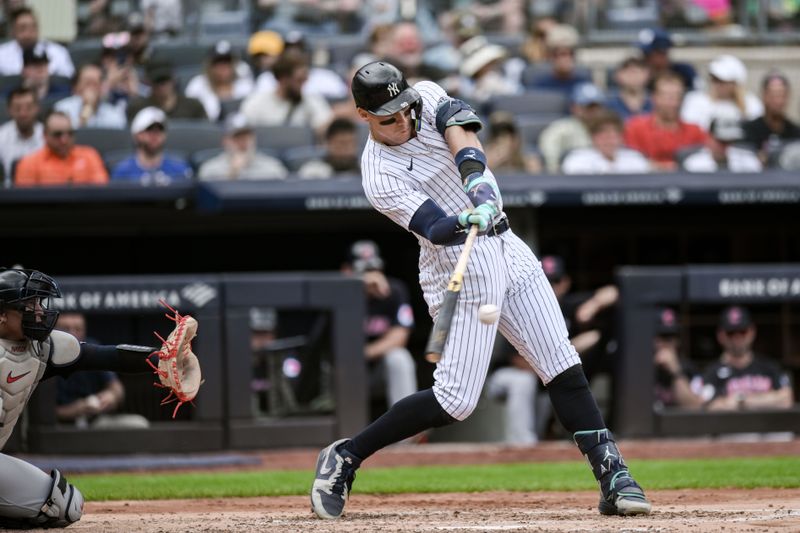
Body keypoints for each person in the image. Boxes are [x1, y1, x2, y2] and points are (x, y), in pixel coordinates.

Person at [310, 60, 650, 520]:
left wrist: (476, 183)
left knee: (561, 362)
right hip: (457, 262)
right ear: (364, 117)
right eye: (389, 116)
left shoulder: (424, 97)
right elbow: (431, 224)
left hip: (505, 244)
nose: (403, 119)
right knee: (456, 400)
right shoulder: (378, 174)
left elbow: (461, 133)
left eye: (404, 108)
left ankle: (614, 475)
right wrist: (460, 220)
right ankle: (347, 455)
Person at [0, 267, 187, 528]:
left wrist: (160, 360)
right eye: (28, 305)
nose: (39, 311)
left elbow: (102, 355)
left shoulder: (40, 349)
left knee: (65, 506)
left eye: (37, 303)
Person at [341, 240, 417, 416]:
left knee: (399, 358)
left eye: (374, 269)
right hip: (342, 372)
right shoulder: (336, 294)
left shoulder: (394, 291)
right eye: (363, 271)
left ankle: (406, 430)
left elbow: (399, 338)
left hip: (376, 372)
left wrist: (363, 353)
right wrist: (354, 291)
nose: (371, 277)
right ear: (346, 271)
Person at [54, 312, 149, 429]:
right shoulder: (46, 354)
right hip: (57, 425)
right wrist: (74, 410)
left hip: (95, 420)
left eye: (78, 329)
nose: (72, 333)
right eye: (66, 329)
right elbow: (39, 412)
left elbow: (117, 388)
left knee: (139, 424)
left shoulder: (92, 349)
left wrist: (111, 396)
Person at [699, 305, 793, 411]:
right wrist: (768, 399)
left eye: (742, 331)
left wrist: (742, 400)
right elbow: (707, 406)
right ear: (721, 335)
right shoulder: (711, 372)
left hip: (767, 426)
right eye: (731, 333)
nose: (737, 337)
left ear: (752, 332)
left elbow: (786, 399)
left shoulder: (769, 367)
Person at [624, 71, 708, 171]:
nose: (672, 102)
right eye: (666, 96)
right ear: (654, 98)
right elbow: (630, 161)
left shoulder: (695, 131)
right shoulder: (635, 128)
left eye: (677, 96)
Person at [241, 49, 333, 139]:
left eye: (304, 80)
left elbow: (325, 126)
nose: (303, 85)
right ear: (283, 78)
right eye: (299, 80)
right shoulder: (256, 103)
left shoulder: (312, 101)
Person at [14, 110, 108, 186]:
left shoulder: (90, 156)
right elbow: (25, 204)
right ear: (45, 135)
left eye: (70, 133)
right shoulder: (28, 163)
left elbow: (101, 193)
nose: (64, 140)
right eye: (57, 135)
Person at [111, 106, 193, 185]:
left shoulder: (180, 170)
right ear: (137, 135)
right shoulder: (122, 173)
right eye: (149, 130)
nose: (155, 135)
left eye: (160, 130)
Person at [680, 54, 763, 132]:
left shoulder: (751, 103)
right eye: (714, 79)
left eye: (722, 81)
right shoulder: (695, 101)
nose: (717, 85)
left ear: (735, 84)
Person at [198, 112, 288, 181]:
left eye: (246, 138)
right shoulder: (210, 169)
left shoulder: (272, 167)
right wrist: (233, 172)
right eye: (237, 138)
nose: (243, 143)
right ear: (225, 141)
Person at [538, 82, 606, 173]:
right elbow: (551, 161)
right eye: (587, 107)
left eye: (596, 107)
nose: (592, 111)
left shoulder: (608, 129)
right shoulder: (560, 129)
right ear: (574, 107)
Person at [185, 40, 254, 123]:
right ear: (209, 66)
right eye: (217, 63)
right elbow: (188, 115)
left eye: (227, 62)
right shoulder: (197, 85)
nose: (222, 67)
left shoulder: (245, 86)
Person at [561, 109, 650, 175]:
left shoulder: (635, 159)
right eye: (603, 134)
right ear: (593, 137)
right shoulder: (577, 160)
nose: (609, 140)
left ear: (621, 137)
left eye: (613, 134)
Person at [743, 71, 800, 167]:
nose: (777, 101)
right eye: (773, 95)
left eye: (781, 95)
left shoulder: (796, 132)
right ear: (764, 96)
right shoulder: (749, 130)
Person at [652, 307, 704, 410]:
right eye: (662, 336)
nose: (666, 343)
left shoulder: (689, 369)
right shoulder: (640, 367)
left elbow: (695, 407)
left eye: (671, 337)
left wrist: (675, 371)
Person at [0, 6, 75, 77]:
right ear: (13, 31)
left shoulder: (58, 52)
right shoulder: (1, 55)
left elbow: (69, 81)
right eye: (22, 28)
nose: (28, 33)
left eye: (33, 27)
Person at [53, 63, 127, 130]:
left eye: (95, 84)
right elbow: (65, 138)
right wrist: (87, 108)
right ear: (75, 87)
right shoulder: (62, 108)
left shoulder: (114, 114)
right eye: (87, 83)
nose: (91, 89)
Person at [524, 23, 591, 96]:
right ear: (550, 56)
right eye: (560, 54)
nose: (565, 59)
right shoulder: (539, 87)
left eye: (570, 53)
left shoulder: (583, 85)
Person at [126, 62, 207, 122]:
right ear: (148, 82)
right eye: (157, 81)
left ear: (174, 80)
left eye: (165, 80)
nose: (162, 85)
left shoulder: (193, 107)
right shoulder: (138, 108)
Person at [681, 117, 762, 173]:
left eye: (730, 141)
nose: (726, 146)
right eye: (722, 141)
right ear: (709, 138)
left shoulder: (748, 160)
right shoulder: (694, 164)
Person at [0, 86, 42, 185]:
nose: (23, 113)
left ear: (37, 108)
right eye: (17, 108)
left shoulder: (50, 136)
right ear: (9, 110)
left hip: (44, 192)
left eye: (29, 107)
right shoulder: (1, 136)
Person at [635, 27, 698, 92]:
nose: (645, 59)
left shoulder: (684, 73)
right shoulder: (638, 76)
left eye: (648, 55)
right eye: (644, 54)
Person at [605, 56, 652, 122]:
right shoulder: (608, 103)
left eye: (637, 71)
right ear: (618, 75)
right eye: (628, 72)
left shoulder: (656, 101)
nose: (633, 76)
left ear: (647, 74)